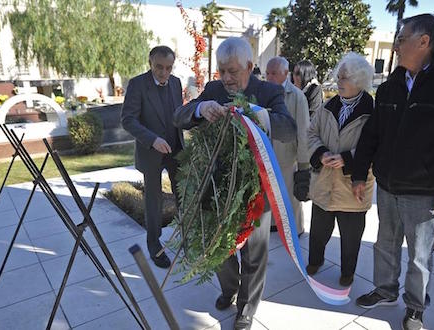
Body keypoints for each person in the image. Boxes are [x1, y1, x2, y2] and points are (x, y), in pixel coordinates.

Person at [351, 14, 434, 330]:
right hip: (388, 186)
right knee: (385, 244)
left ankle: (415, 308)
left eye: (401, 39)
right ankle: (384, 291)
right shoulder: (392, 85)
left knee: (420, 256)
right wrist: (358, 173)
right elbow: (372, 134)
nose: (396, 46)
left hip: (424, 191)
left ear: (424, 41)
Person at [172, 37, 296, 330]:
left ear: (250, 67)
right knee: (218, 249)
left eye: (233, 71)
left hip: (256, 188)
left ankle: (246, 309)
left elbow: (289, 129)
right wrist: (201, 110)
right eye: (222, 71)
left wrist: (255, 115)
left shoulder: (269, 91)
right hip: (218, 187)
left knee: (254, 255)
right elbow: (180, 117)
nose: (226, 78)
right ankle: (229, 289)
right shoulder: (214, 90)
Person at [306, 52, 375, 287]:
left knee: (351, 237)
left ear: (360, 81)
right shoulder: (328, 106)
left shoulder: (372, 112)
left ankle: (348, 272)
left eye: (345, 78)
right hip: (324, 183)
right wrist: (321, 153)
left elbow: (377, 147)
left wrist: (347, 158)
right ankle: (314, 261)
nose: (339, 82)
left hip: (352, 188)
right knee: (318, 232)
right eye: (339, 76)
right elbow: (311, 133)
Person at [121, 46, 184, 268]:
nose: (164, 73)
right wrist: (153, 140)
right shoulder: (137, 84)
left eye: (168, 68)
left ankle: (187, 237)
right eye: (159, 67)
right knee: (154, 200)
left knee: (183, 194)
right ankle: (154, 245)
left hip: (176, 150)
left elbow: (179, 114)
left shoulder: (176, 83)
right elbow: (128, 120)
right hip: (151, 151)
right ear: (150, 62)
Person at [265, 56, 310, 236]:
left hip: (287, 156)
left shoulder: (297, 96)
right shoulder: (263, 92)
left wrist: (303, 164)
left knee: (290, 197)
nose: (269, 77)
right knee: (269, 194)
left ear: (285, 73)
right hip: (266, 154)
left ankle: (295, 229)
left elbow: (303, 131)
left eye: (273, 73)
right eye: (267, 73)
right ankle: (273, 225)